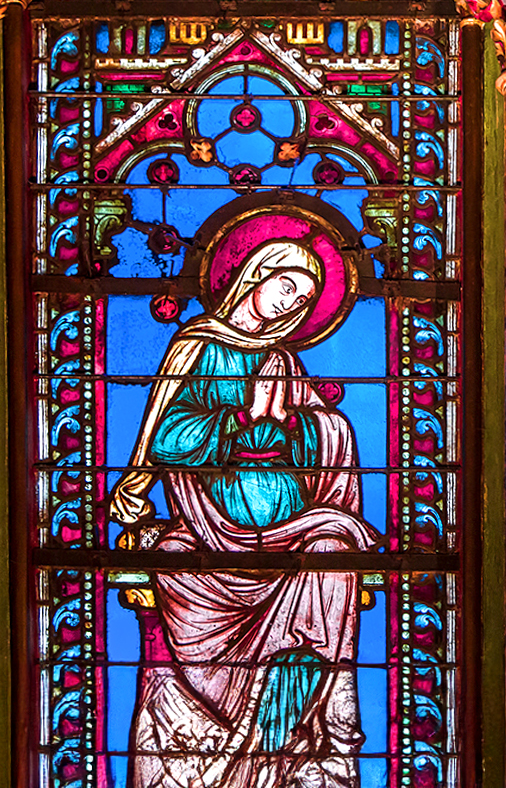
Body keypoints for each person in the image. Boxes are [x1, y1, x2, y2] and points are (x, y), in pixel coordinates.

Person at [109, 239, 377, 788]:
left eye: (302, 301)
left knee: (336, 545)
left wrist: (307, 427)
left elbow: (312, 437)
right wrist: (240, 417)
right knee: (175, 560)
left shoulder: (282, 360)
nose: (288, 306)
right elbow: (167, 437)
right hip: (208, 527)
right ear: (254, 275)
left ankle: (288, 717)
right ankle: (241, 734)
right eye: (285, 288)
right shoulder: (197, 348)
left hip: (289, 529)